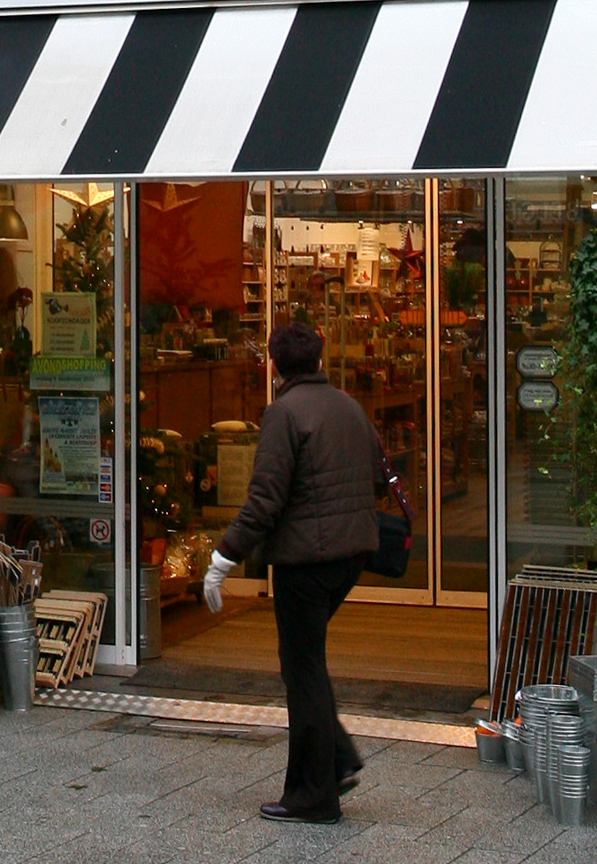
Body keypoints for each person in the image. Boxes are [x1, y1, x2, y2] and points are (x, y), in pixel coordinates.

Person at [203, 317, 388, 825]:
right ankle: (337, 760)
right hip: (351, 553)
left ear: (274, 366)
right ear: (320, 359)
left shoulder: (283, 413)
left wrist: (222, 559)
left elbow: (264, 499)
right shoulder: (348, 406)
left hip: (305, 561)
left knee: (301, 669)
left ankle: (313, 795)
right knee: (307, 663)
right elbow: (376, 475)